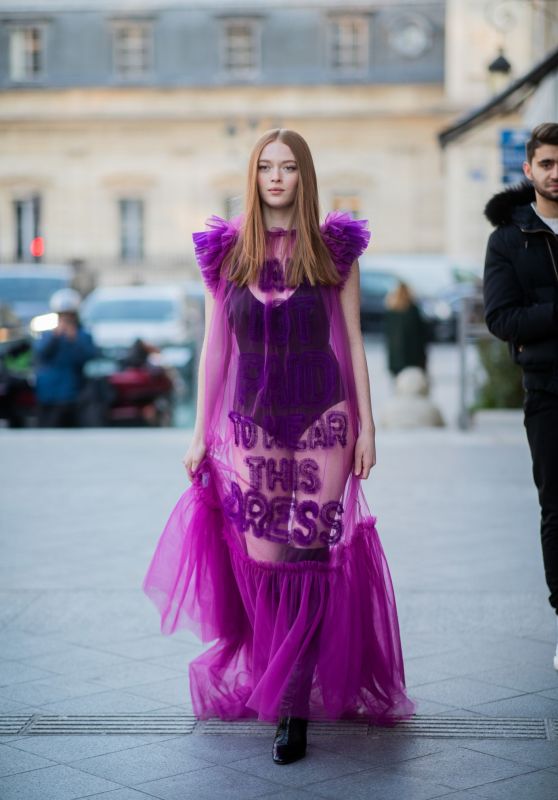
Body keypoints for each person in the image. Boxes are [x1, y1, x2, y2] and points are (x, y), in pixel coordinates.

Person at [142, 129, 415, 764]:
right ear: (253, 174)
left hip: (323, 421)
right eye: (265, 166)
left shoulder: (335, 249)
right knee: (264, 566)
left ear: (304, 175)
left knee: (308, 561)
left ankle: (291, 709)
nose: (276, 177)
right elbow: (216, 350)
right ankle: (282, 675)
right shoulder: (224, 251)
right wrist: (197, 433)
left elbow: (351, 343)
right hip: (251, 425)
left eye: (288, 167)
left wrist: (368, 428)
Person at [483, 122, 558, 670]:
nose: (557, 173)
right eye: (548, 163)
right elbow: (503, 318)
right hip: (549, 391)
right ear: (529, 170)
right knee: (557, 510)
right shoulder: (508, 239)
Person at [33, 288, 98, 427]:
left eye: (69, 316)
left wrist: (74, 339)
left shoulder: (82, 335)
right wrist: (55, 337)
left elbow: (89, 355)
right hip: (49, 391)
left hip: (73, 391)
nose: (66, 320)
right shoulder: (48, 334)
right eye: (63, 316)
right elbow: (41, 353)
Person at [384, 281, 428, 377]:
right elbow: (423, 334)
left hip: (396, 361)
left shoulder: (391, 311)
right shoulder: (413, 310)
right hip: (413, 359)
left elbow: (388, 335)